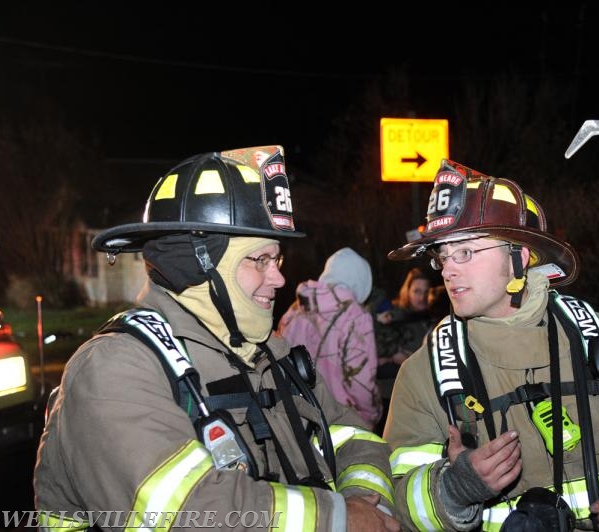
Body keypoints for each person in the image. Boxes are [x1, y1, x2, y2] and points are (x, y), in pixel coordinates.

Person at [34, 146, 399, 532]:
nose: (278, 279)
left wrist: (362, 498)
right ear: (197, 264)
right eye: (258, 260)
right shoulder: (114, 368)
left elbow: (354, 436)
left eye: (277, 260)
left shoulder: (273, 353)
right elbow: (184, 514)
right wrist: (339, 519)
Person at [383, 159, 599, 531]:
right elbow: (393, 500)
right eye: (442, 255)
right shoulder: (426, 372)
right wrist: (452, 490)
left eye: (465, 252)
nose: (448, 269)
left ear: (518, 258)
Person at [278, 247, 382, 430]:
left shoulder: (294, 311)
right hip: (343, 419)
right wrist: (371, 415)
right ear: (361, 282)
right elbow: (361, 382)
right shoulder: (355, 316)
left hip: (299, 418)